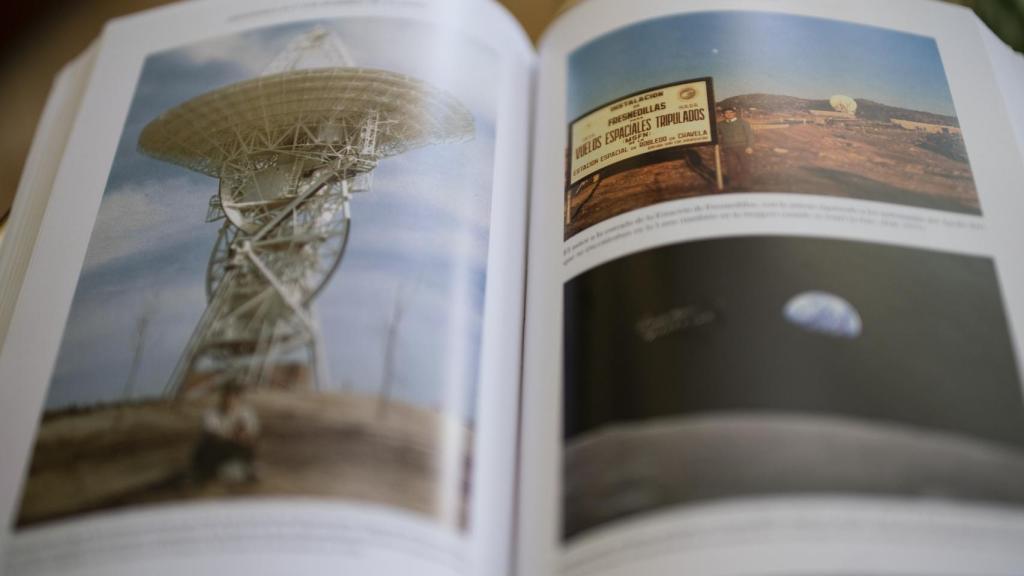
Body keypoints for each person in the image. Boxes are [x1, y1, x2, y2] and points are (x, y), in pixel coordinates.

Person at [190, 382, 260, 485]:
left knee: (246, 453)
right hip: (212, 452)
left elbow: (249, 437)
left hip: (234, 451)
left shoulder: (247, 413)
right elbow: (212, 437)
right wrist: (234, 435)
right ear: (222, 397)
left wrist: (240, 435)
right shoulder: (211, 413)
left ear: (239, 397)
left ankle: (242, 469)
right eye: (227, 396)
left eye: (234, 396)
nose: (230, 400)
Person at [717, 106, 754, 190]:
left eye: (731, 112)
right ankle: (733, 185)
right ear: (723, 114)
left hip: (743, 147)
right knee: (731, 167)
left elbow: (750, 135)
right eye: (726, 113)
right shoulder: (720, 125)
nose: (729, 114)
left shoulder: (743, 122)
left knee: (745, 166)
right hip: (728, 148)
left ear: (734, 113)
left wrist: (750, 146)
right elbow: (715, 135)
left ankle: (746, 185)